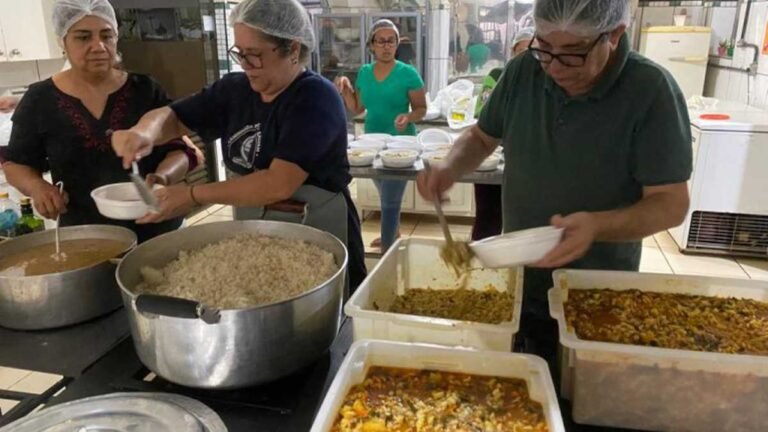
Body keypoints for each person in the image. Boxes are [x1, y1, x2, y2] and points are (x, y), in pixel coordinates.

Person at [418, 0, 691, 366]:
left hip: (595, 293)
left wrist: (597, 226)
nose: (555, 67)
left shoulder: (651, 91)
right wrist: (449, 168)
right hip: (518, 280)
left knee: (580, 386)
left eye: (574, 52)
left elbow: (671, 203)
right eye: (544, 47)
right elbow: (482, 137)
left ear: (614, 35)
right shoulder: (523, 71)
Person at [109, 0, 367, 291]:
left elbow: (278, 183)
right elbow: (174, 117)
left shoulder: (315, 98)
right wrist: (143, 132)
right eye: (240, 53)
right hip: (255, 223)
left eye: (254, 55)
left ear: (293, 49)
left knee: (325, 303)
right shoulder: (235, 89)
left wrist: (192, 195)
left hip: (320, 226)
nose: (245, 64)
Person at [0, 0, 200, 243]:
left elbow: (183, 151)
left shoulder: (145, 89)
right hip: (85, 236)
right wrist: (38, 188)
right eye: (83, 37)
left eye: (107, 36)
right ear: (62, 41)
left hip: (158, 229)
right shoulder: (40, 99)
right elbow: (16, 163)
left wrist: (160, 179)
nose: (99, 46)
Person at [334, 19, 426, 252]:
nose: (386, 46)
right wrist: (345, 89)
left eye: (391, 41)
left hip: (400, 145)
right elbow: (357, 108)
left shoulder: (408, 73)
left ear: (397, 44)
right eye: (381, 41)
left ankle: (388, 248)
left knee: (390, 201)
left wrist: (408, 117)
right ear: (372, 45)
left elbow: (421, 109)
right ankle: (393, 232)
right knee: (385, 192)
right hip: (372, 145)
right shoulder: (365, 73)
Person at [471, 27, 535, 241]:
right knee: (487, 218)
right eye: (522, 51)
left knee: (521, 224)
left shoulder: (547, 82)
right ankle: (480, 258)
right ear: (512, 51)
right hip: (491, 158)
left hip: (525, 163)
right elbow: (482, 113)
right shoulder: (498, 76)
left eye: (532, 51)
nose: (527, 58)